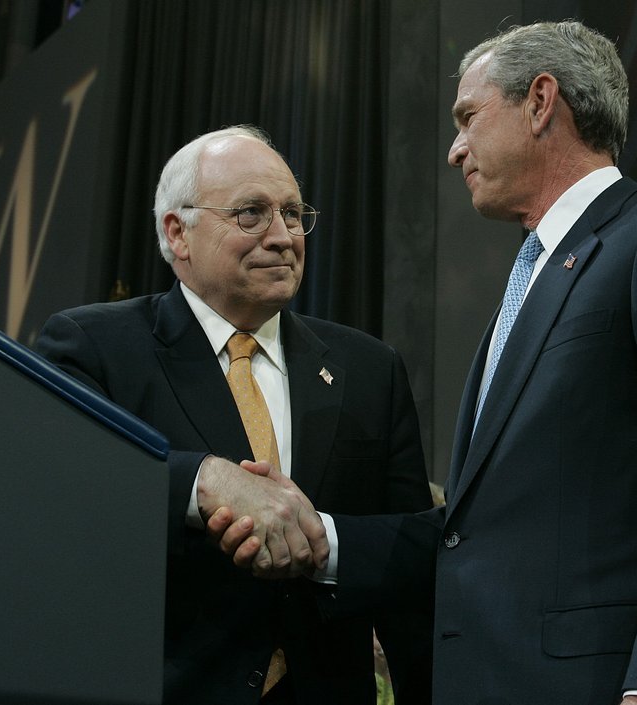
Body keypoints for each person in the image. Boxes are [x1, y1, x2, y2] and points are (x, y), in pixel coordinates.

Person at [212, 20, 637, 705]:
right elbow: (477, 533)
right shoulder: (530, 284)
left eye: (468, 117)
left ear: (541, 101)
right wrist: (321, 538)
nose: (455, 149)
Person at [36, 125, 434, 705]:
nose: (283, 237)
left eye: (294, 215)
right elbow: (58, 484)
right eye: (251, 213)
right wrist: (202, 481)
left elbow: (411, 563)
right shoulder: (95, 346)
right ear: (179, 233)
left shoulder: (370, 369)